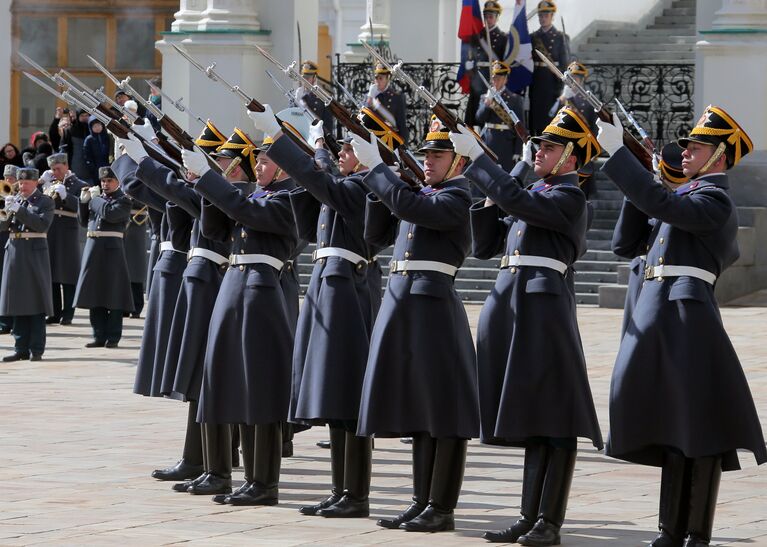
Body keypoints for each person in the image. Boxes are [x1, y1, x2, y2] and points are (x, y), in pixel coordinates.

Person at [596, 105, 767, 547]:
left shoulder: (714, 200)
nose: (686, 152)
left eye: (697, 147)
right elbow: (624, 244)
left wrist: (624, 161)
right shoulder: (679, 199)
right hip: (658, 315)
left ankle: (695, 534)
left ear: (720, 157)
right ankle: (669, 530)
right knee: (674, 425)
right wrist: (648, 179)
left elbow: (662, 206)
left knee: (700, 427)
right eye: (687, 146)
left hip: (689, 319)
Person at [451, 106, 603, 545]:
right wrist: (494, 191)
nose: (540, 152)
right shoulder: (538, 190)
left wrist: (481, 164)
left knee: (554, 415)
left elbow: (520, 204)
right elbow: (485, 245)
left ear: (572, 159)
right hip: (518, 306)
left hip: (544, 308)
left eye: (551, 147)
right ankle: (529, 516)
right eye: (539, 146)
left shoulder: (568, 196)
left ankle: (549, 521)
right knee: (535, 415)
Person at [252, 104, 383, 518]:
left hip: (347, 290)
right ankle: (341, 490)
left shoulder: (366, 187)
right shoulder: (343, 184)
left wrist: (282, 138)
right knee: (333, 393)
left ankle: (356, 494)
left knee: (348, 396)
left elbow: (318, 181)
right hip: (328, 288)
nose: (343, 153)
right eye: (341, 147)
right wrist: (315, 150)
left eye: (351, 147)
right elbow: (312, 212)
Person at [350, 119, 479, 533]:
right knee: (421, 410)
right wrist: (383, 183)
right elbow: (375, 234)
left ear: (458, 160)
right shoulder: (420, 193)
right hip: (404, 303)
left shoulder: (459, 196)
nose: (428, 162)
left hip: (434, 305)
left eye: (437, 155)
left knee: (443, 411)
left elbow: (413, 209)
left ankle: (442, 506)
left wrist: (379, 172)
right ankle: (420, 501)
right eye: (424, 155)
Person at [180, 125, 298, 505]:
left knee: (258, 388)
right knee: (224, 379)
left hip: (261, 293)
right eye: (259, 161)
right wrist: (202, 183)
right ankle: (230, 475)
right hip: (234, 287)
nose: (260, 167)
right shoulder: (254, 194)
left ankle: (264, 482)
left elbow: (244, 210)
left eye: (266, 162)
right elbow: (216, 229)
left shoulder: (289, 199)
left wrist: (212, 179)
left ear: (283, 169)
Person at [612, 142, 688, 339]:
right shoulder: (650, 207)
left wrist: (645, 187)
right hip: (640, 290)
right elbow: (622, 245)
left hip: (669, 297)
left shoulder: (691, 207)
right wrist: (637, 190)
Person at [74, 166, 133, 348]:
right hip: (93, 248)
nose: (105, 184)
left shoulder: (124, 200)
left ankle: (113, 336)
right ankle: (98, 335)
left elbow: (111, 214)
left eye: (109, 181)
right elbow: (84, 222)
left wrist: (95, 199)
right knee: (95, 293)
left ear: (117, 182)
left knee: (113, 293)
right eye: (103, 181)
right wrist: (83, 203)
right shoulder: (97, 200)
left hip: (112, 249)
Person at [0, 168, 54, 361]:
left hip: (34, 253)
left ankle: (36, 348)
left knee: (36, 300)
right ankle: (20, 347)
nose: (22, 186)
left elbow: (41, 224)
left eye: (26, 183)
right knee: (17, 301)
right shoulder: (17, 200)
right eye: (20, 183)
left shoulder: (45, 201)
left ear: (35, 183)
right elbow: (3, 227)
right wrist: (4, 212)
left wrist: (19, 210)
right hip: (14, 251)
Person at [39, 153, 87, 326]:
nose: (55, 172)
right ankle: (54, 312)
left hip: (67, 231)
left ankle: (68, 313)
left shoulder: (80, 185)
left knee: (67, 274)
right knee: (51, 273)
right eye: (53, 169)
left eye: (58, 169)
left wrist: (67, 197)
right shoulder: (48, 183)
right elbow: (35, 203)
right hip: (50, 230)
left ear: (66, 166)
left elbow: (83, 208)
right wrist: (40, 184)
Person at [475, 60, 525, 173]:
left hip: (505, 144)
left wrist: (518, 151)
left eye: (498, 78)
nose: (495, 81)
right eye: (493, 78)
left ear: (505, 79)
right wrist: (488, 102)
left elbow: (519, 126)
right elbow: (479, 118)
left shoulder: (514, 99)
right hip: (488, 141)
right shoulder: (485, 97)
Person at [466, 1, 508, 128]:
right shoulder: (477, 37)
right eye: (486, 16)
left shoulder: (503, 38)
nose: (488, 19)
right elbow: (470, 57)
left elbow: (503, 61)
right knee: (474, 112)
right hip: (478, 77)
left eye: (491, 16)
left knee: (489, 110)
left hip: (492, 77)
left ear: (497, 18)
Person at [529, 1, 569, 137]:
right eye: (540, 16)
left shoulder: (560, 37)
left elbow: (565, 64)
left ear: (552, 16)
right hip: (537, 80)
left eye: (546, 15)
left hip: (553, 82)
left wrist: (564, 86)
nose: (542, 18)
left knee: (551, 117)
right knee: (537, 115)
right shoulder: (533, 37)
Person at [364, 62, 408, 144]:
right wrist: (370, 96)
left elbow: (401, 123)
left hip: (389, 139)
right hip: (372, 139)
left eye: (380, 78)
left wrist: (403, 144)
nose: (377, 81)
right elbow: (363, 117)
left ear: (387, 79)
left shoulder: (397, 97)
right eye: (376, 78)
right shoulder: (370, 96)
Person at [550, 61, 597, 132]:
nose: (572, 82)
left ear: (582, 80)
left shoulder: (588, 99)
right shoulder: (563, 97)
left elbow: (593, 125)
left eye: (575, 79)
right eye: (571, 79)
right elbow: (551, 115)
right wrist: (562, 98)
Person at [0, 165, 19, 333]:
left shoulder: (21, 196)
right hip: (1, 239)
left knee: (14, 283)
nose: (8, 181)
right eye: (6, 178)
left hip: (14, 240)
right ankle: (4, 321)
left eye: (11, 178)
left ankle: (15, 321)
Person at [124, 196, 148, 318]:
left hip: (136, 226)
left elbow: (146, 199)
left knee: (135, 269)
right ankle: (123, 306)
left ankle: (136, 307)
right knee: (121, 270)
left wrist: (131, 197)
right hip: (120, 223)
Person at [295, 61, 333, 133]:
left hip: (317, 134)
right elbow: (291, 114)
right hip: (301, 133)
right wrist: (297, 100)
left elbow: (328, 123)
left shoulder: (321, 97)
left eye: (307, 78)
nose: (305, 80)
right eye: (303, 77)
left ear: (314, 78)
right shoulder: (298, 94)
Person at [82, 116, 113, 184]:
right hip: (96, 167)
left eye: (99, 125)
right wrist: (92, 167)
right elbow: (87, 155)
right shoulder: (89, 140)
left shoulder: (108, 136)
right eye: (95, 126)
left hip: (108, 164)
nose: (97, 128)